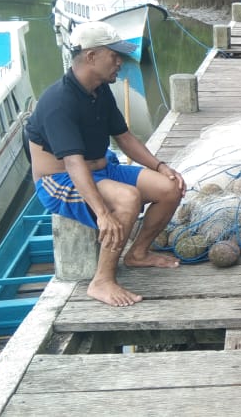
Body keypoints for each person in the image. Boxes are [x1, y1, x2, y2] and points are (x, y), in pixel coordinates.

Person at [25, 22, 186, 307]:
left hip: (102, 169)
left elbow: (124, 137)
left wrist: (161, 167)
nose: (119, 61)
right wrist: (101, 212)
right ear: (91, 56)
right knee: (127, 198)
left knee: (170, 188)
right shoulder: (58, 102)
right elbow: (73, 163)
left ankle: (137, 254)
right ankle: (101, 281)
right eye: (114, 55)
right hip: (60, 180)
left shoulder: (99, 90)